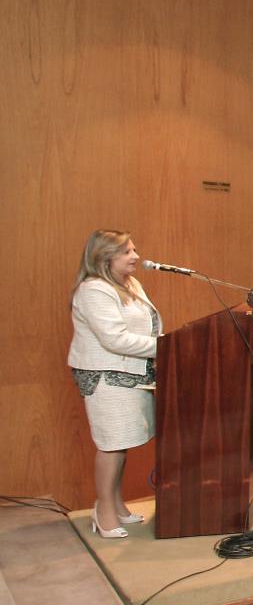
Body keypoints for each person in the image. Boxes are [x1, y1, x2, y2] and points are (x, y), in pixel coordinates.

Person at [68, 230, 160, 537]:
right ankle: (104, 511)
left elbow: (147, 325)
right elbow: (114, 339)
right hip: (106, 377)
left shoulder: (130, 284)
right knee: (111, 445)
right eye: (127, 252)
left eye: (134, 249)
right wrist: (166, 346)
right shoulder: (93, 289)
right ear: (104, 257)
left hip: (134, 374)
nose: (135, 256)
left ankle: (117, 505)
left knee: (123, 443)